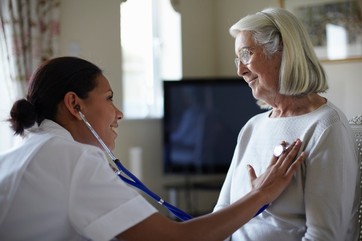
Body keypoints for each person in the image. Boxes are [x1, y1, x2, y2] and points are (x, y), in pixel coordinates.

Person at [0, 56, 305, 241]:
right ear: (74, 104)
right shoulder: (74, 159)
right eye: (108, 98)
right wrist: (262, 193)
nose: (118, 113)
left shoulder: (28, 151)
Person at [213, 7, 359, 241]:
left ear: (282, 51)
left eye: (246, 54)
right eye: (237, 59)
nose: (240, 70)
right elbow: (221, 214)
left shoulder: (326, 126)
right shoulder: (252, 127)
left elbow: (324, 237)